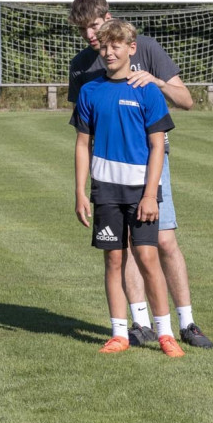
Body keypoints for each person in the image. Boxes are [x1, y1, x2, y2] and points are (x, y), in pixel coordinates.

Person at [66, 0, 213, 349]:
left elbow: (187, 101)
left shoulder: (143, 46)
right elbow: (86, 129)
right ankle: (139, 323)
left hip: (148, 161)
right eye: (84, 30)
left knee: (162, 241)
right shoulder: (82, 66)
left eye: (96, 25)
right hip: (110, 171)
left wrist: (154, 81)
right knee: (123, 248)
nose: (92, 36)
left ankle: (186, 322)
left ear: (110, 17)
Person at [73, 19, 183, 358]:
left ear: (131, 49)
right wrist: (80, 192)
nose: (108, 52)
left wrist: (151, 194)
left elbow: (157, 147)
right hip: (106, 191)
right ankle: (119, 333)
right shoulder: (90, 90)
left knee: (148, 258)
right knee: (113, 260)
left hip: (141, 193)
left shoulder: (147, 90)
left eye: (115, 46)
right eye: (104, 46)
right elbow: (81, 145)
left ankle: (165, 333)